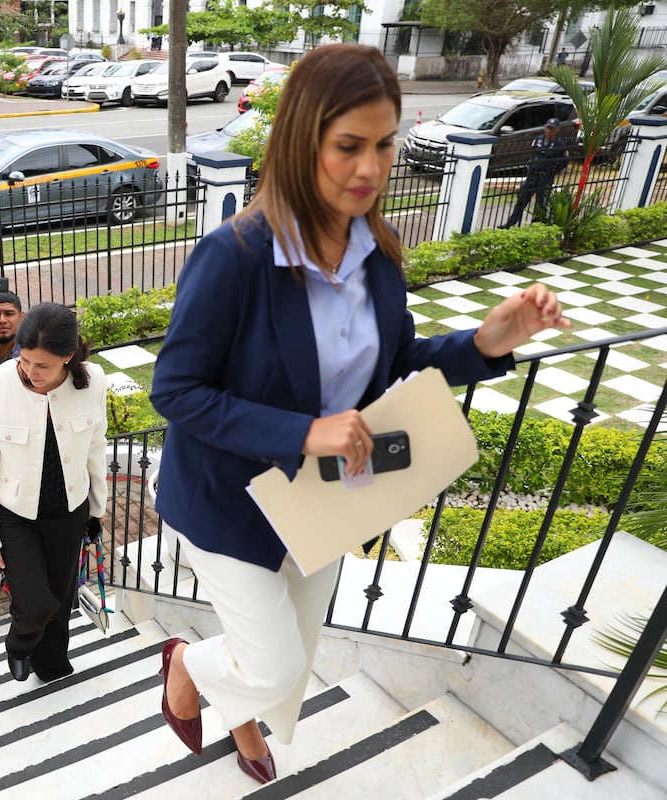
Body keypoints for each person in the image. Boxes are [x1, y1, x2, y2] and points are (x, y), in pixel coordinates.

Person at [148, 43, 570, 785]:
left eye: (384, 144)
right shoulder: (235, 257)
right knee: (274, 665)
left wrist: (486, 343)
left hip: (325, 501)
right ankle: (185, 667)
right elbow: (175, 391)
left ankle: (237, 709)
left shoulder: (375, 254)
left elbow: (397, 361)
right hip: (230, 501)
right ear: (301, 142)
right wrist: (304, 432)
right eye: (349, 146)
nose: (371, 167)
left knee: (296, 653)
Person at [0, 303, 108, 683]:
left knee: (60, 597)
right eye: (24, 360)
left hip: (70, 509)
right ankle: (19, 643)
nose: (30, 372)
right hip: (15, 514)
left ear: (68, 356)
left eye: (42, 365)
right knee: (35, 603)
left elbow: (96, 446)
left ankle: (52, 666)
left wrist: (97, 508)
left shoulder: (94, 380)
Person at [500, 117, 570, 229]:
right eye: (547, 128)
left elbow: (564, 161)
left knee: (540, 204)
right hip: (532, 175)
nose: (549, 130)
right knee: (522, 200)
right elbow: (532, 154)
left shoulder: (560, 145)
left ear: (557, 130)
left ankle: (535, 226)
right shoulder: (538, 140)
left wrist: (553, 170)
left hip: (546, 177)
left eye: (552, 129)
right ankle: (510, 223)